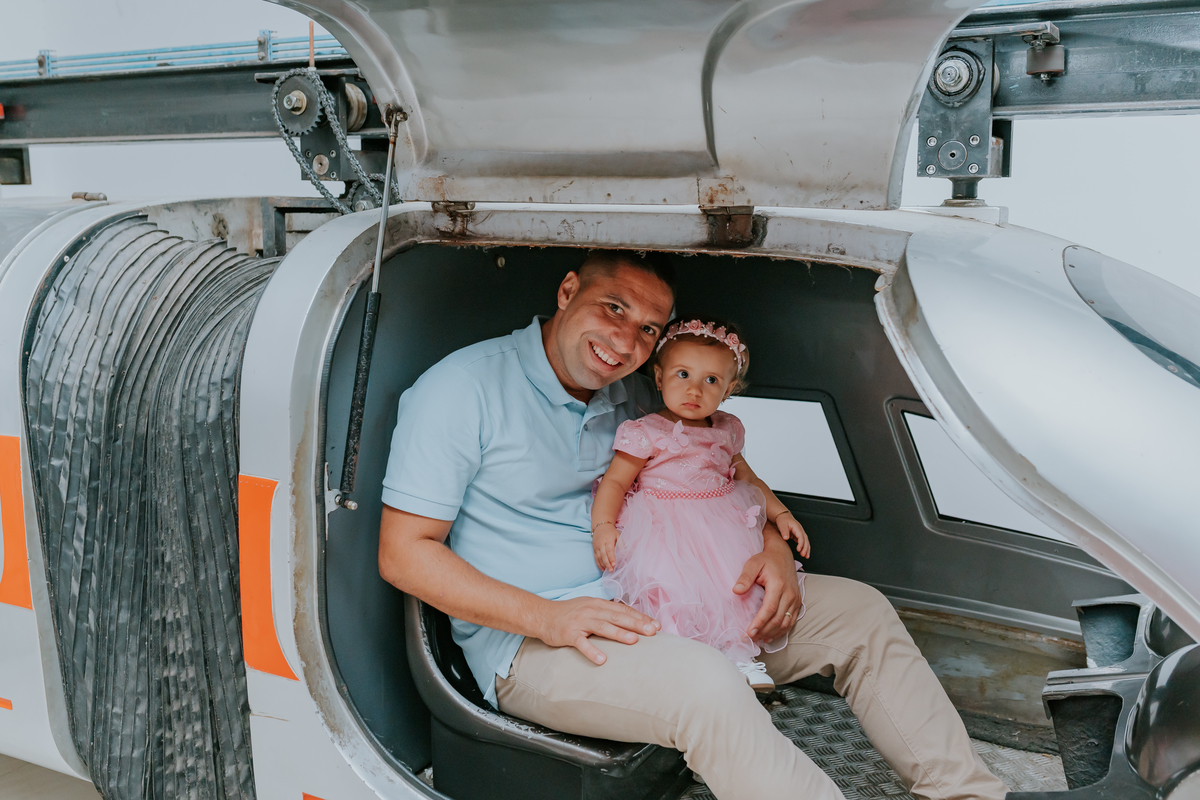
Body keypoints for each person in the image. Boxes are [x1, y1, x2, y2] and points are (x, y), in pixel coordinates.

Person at [378, 250, 1008, 800]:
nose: (626, 343)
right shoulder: (460, 389)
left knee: (860, 614)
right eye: (613, 309)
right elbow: (405, 555)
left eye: (648, 328)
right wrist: (549, 619)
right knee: (705, 685)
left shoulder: (629, 393)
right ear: (568, 292)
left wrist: (770, 547)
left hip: (673, 594)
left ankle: (967, 796)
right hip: (540, 640)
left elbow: (716, 473)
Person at [591, 318, 809, 694]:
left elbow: (748, 479)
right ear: (659, 378)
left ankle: (739, 655)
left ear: (729, 389)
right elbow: (614, 481)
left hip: (719, 524)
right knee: (675, 592)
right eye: (683, 374)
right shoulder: (646, 431)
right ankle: (690, 663)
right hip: (663, 527)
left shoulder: (725, 428)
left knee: (729, 589)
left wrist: (781, 513)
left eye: (711, 380)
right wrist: (603, 526)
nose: (694, 389)